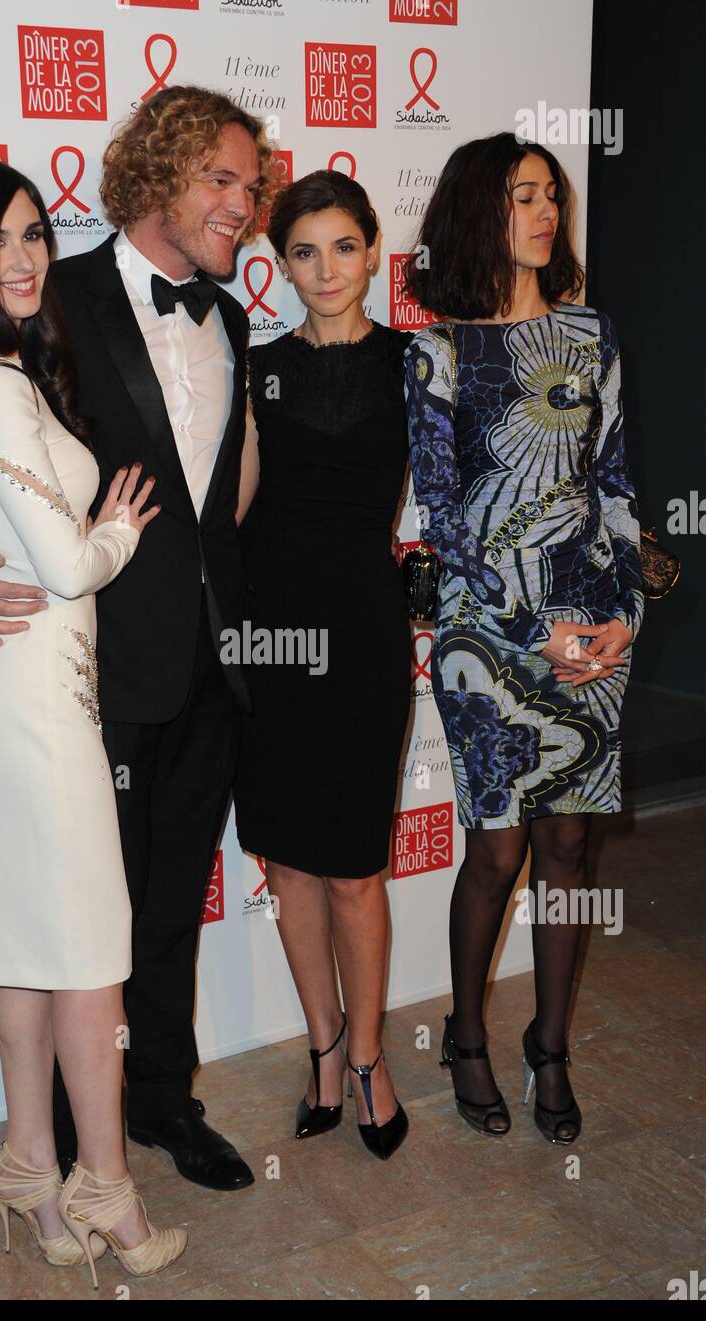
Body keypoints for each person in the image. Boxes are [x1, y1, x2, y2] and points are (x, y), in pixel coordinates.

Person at [0, 88, 279, 1191]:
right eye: (221, 178)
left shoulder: (230, 314)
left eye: (250, 184)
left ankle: (164, 1101)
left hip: (213, 663)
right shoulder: (50, 297)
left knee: (171, 903)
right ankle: (83, 1143)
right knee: (91, 917)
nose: (242, 202)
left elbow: (220, 497)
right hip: (88, 673)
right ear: (162, 176)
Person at [0, 151, 186, 1284]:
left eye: (34, 234)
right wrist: (112, 528)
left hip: (13, 689)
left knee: (26, 945)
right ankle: (101, 1181)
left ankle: (28, 1159)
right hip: (29, 695)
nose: (22, 257)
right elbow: (51, 559)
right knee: (90, 946)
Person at [403, 133, 644, 1143]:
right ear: (477, 213)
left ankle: (550, 1046)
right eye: (521, 197)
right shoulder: (436, 351)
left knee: (568, 842)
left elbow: (619, 486)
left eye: (551, 195)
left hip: (590, 624)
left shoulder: (591, 337)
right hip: (483, 633)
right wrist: (516, 623)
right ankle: (466, 1034)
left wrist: (623, 613)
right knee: (497, 848)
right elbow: (440, 510)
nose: (545, 213)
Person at [234, 171, 412, 1160]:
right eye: (304, 251)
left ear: (374, 251)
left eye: (343, 246)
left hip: (366, 628)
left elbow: (460, 509)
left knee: (353, 868)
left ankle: (375, 1058)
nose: (326, 268)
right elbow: (239, 506)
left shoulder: (412, 362)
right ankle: (323, 1047)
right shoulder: (258, 368)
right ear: (282, 263)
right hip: (271, 632)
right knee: (289, 858)